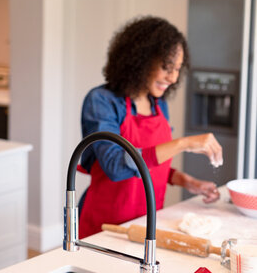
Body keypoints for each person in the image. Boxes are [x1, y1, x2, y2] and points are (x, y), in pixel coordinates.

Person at [78, 16, 222, 239]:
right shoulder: (102, 102)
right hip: (105, 228)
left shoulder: (158, 105)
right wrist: (183, 143)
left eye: (177, 69)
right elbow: (117, 167)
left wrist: (187, 182)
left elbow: (151, 164)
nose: (173, 78)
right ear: (140, 60)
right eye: (166, 67)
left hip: (147, 223)